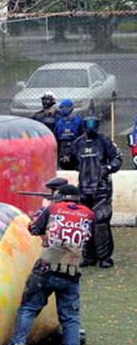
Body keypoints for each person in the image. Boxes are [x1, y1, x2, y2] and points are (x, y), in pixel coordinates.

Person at [3, 184, 94, 345]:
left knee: (29, 307)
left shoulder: (52, 209)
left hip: (45, 270)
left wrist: (41, 212)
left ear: (60, 197)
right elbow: (87, 238)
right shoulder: (89, 214)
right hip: (71, 273)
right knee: (70, 318)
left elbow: (34, 229)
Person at [70, 115, 122, 268]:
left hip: (102, 189)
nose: (91, 127)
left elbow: (117, 158)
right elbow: (71, 161)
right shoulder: (77, 143)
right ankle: (88, 257)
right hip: (84, 188)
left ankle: (105, 258)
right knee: (85, 222)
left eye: (93, 124)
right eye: (88, 124)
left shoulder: (104, 141)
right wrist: (65, 161)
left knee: (101, 222)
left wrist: (108, 168)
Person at [54, 99, 83, 170]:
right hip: (63, 149)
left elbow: (82, 136)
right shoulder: (59, 122)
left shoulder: (78, 120)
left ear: (71, 108)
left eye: (67, 107)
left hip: (75, 148)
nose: (65, 109)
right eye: (63, 107)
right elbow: (56, 138)